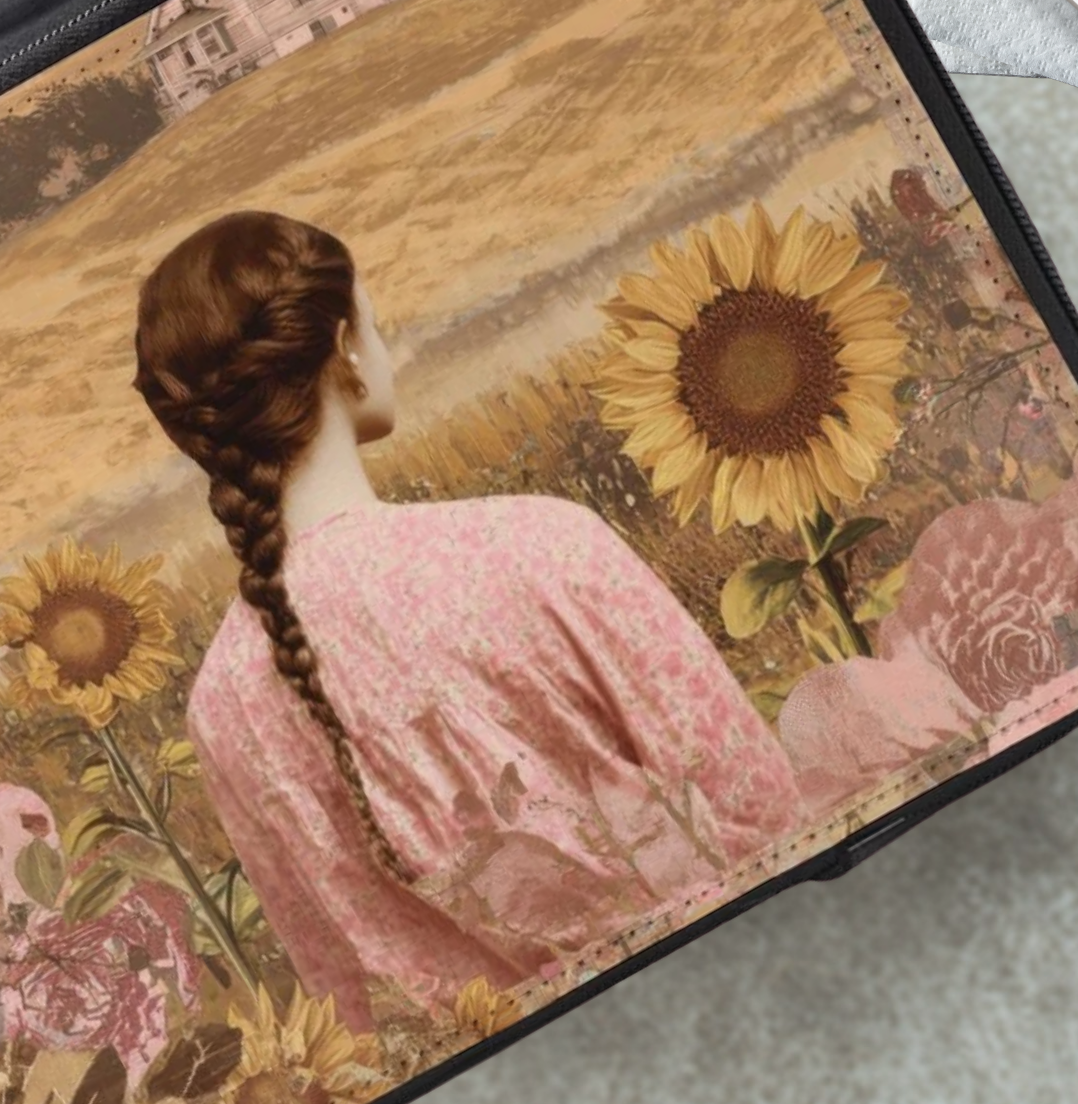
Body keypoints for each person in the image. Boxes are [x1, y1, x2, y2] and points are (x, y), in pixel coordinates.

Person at [133, 210, 802, 1031]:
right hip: (749, 994)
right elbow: (759, 806)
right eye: (375, 326)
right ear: (344, 347)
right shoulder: (537, 544)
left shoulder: (220, 710)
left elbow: (341, 1001)